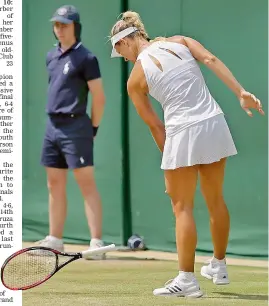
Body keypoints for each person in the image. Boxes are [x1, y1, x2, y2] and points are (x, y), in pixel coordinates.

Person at [109, 11, 264, 297]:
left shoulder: (135, 80)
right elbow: (211, 60)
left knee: (182, 206)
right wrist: (241, 92)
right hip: (214, 122)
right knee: (215, 198)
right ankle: (218, 264)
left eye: (120, 51)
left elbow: (156, 125)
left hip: (182, 131)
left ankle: (187, 280)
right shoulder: (181, 40)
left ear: (127, 42)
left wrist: (169, 160)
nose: (124, 58)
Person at [37, 5, 106, 260]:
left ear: (75, 27)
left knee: (86, 183)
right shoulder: (50, 56)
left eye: (64, 25)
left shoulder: (87, 58)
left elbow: (99, 97)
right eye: (56, 25)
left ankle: (96, 243)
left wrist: (94, 128)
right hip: (52, 126)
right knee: (54, 183)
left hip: (76, 126)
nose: (59, 30)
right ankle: (55, 240)